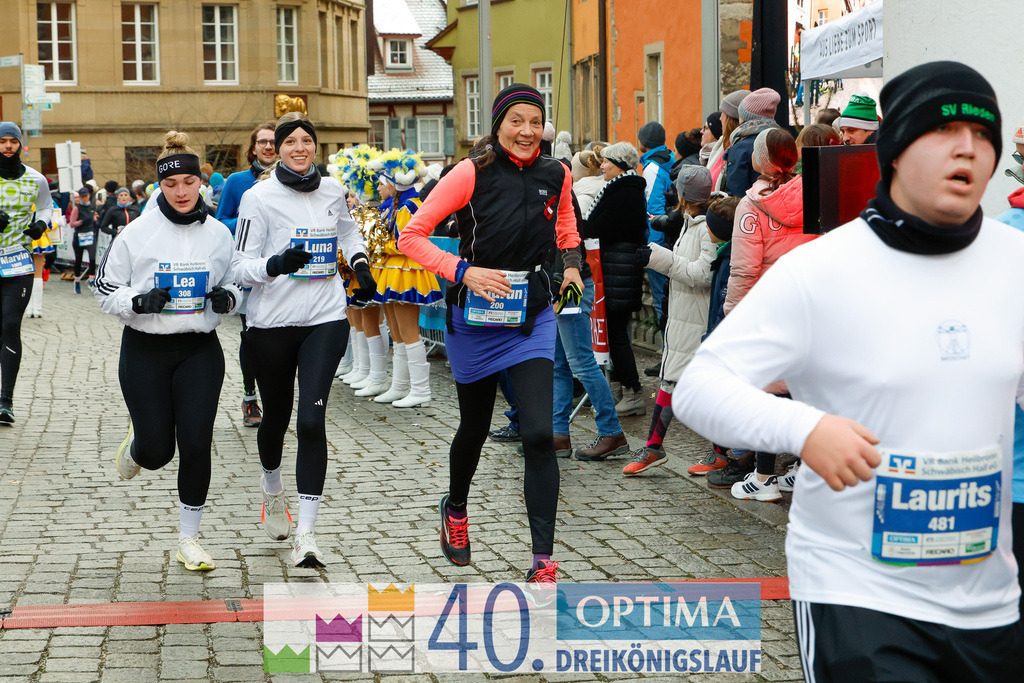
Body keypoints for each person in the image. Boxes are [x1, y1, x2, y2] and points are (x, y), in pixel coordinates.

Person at [673, 61, 1024, 680]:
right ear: (893, 150)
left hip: (987, 602)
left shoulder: (1014, 263)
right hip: (857, 592)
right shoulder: (823, 272)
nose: (968, 148)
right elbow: (701, 388)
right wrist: (805, 430)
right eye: (944, 133)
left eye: (984, 135)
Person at [397, 83, 583, 583]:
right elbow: (409, 236)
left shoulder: (556, 173)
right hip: (476, 322)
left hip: (531, 317)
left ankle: (543, 559)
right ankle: (455, 507)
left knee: (540, 433)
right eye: (516, 120)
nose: (526, 131)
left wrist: (571, 266)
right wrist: (463, 271)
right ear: (499, 124)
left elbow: (565, 225)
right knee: (474, 428)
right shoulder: (470, 173)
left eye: (534, 121)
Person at [232, 112, 376, 569]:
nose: (299, 148)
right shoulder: (258, 198)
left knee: (312, 421)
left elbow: (348, 230)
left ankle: (308, 535)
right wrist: (274, 264)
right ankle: (272, 490)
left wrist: (359, 261)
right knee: (276, 419)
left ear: (316, 147)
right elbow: (240, 266)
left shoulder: (333, 190)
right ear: (275, 148)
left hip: (325, 318)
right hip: (272, 323)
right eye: (289, 141)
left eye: (306, 141)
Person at [94, 130, 241, 571]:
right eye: (171, 184)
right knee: (160, 452)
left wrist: (228, 299)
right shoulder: (136, 233)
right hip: (145, 350)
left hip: (200, 349)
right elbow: (103, 288)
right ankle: (139, 447)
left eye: (188, 183)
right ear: (160, 185)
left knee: (196, 442)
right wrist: (136, 302)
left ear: (201, 182)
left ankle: (189, 538)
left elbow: (235, 282)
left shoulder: (218, 233)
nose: (181, 192)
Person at [624, 165, 715, 475]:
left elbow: (703, 275)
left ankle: (717, 452)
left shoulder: (706, 227)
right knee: (672, 381)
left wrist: (660, 258)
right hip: (683, 317)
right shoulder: (692, 223)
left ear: (682, 194)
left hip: (696, 318)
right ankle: (654, 446)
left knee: (689, 383)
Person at [365, 149, 441, 406]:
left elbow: (408, 242)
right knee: (397, 332)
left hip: (407, 271)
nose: (378, 185)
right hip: (394, 270)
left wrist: (381, 246)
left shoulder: (410, 206)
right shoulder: (399, 204)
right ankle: (400, 385)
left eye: (382, 180)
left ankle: (420, 390)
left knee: (409, 332)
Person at [215, 120, 277, 428]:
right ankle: (250, 397)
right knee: (251, 337)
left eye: (273, 142)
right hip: (249, 271)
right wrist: (244, 221)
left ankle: (277, 397)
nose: (268, 146)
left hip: (283, 272)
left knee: (278, 338)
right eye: (262, 142)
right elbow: (219, 221)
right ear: (253, 148)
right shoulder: (237, 182)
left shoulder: (294, 182)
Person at [581, 141, 648, 417]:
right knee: (614, 331)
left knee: (618, 333)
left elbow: (600, 227)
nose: (602, 166)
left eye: (607, 161)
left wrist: (580, 225)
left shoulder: (624, 191)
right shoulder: (623, 187)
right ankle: (621, 387)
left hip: (618, 269)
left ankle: (632, 392)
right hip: (617, 268)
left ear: (620, 164)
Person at [0, 122, 51, 423]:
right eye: (3, 141)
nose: (8, 147)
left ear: (20, 145)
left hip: (17, 262)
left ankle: (5, 401)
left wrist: (41, 225)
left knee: (9, 324)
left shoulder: (36, 179)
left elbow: (46, 207)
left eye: (12, 141)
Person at [638, 121, 673, 328]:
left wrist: (652, 250)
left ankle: (665, 355)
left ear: (644, 143)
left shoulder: (651, 168)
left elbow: (652, 210)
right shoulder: (669, 160)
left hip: (658, 242)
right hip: (670, 236)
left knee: (661, 303)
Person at [723, 87, 781, 198]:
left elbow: (735, 193)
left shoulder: (741, 147)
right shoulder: (780, 140)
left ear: (746, 116)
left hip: (749, 210)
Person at [709, 91, 748, 190]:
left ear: (732, 119)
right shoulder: (722, 145)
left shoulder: (738, 149)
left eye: (723, 113)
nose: (720, 118)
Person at [69, 187, 99, 293]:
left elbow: (93, 218)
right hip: (80, 235)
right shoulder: (77, 208)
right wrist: (82, 221)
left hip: (90, 235)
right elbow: (72, 224)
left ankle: (91, 279)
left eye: (86, 196)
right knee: (79, 259)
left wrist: (96, 221)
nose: (84, 198)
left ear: (89, 196)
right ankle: (77, 280)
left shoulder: (92, 206)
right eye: (82, 197)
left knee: (92, 258)